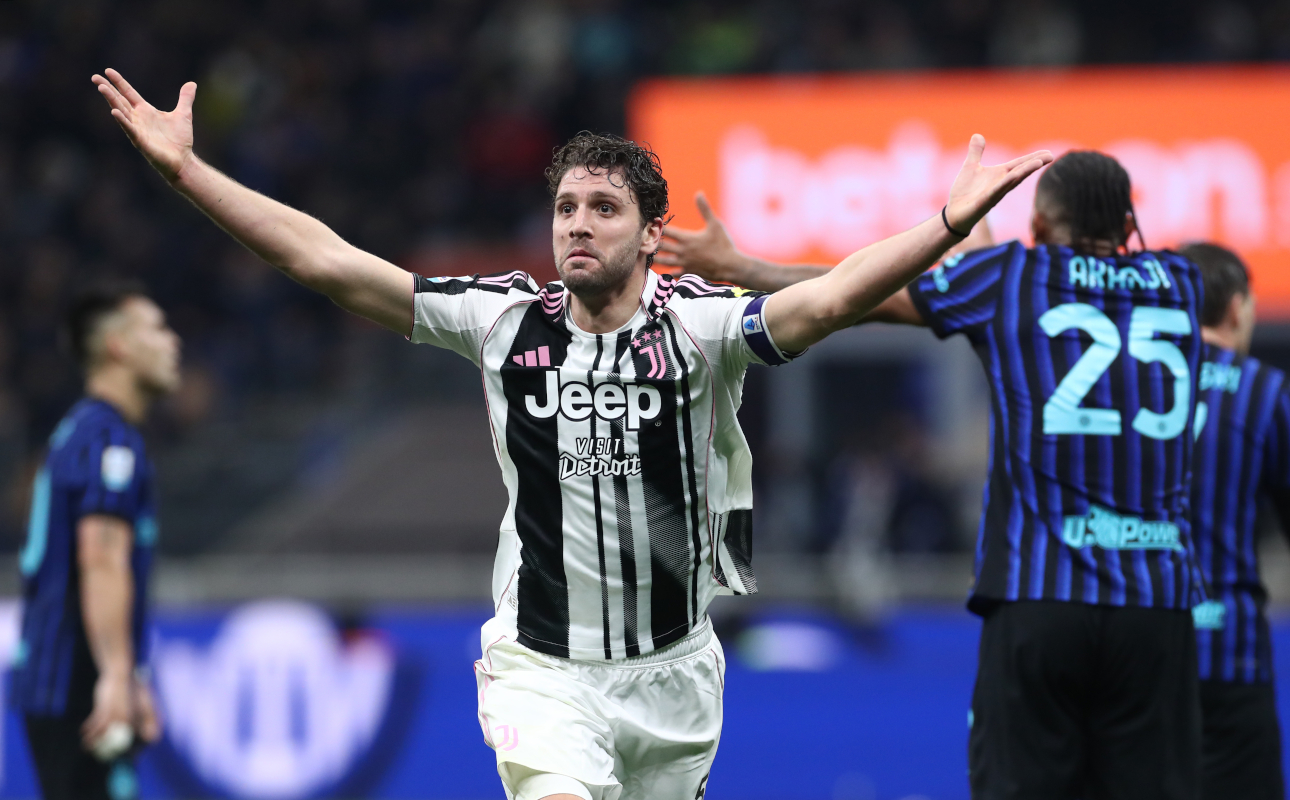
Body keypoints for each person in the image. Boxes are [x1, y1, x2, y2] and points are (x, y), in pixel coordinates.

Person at [90, 67, 1050, 800]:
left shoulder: (704, 329)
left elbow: (836, 294)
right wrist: (188, 173)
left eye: (603, 209)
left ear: (647, 233)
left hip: (676, 674)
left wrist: (942, 221)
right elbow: (328, 263)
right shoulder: (500, 319)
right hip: (543, 669)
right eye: (564, 208)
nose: (577, 226)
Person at [661, 152, 1207, 800]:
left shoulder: (1008, 276)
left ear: (1036, 220)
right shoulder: (1180, 283)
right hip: (1157, 600)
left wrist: (743, 269)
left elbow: (866, 296)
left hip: (1042, 595)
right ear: (1126, 222)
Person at [12, 280, 179, 800]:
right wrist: (115, 676)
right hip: (77, 683)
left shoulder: (81, 432)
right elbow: (101, 557)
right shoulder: (108, 440)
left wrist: (133, 674)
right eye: (156, 327)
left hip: (61, 680)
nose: (172, 342)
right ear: (118, 346)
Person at [1179, 243, 1286, 800]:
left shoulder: (1125, 382)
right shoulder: (1263, 391)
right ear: (1239, 307)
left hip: (1137, 657)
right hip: (1232, 654)